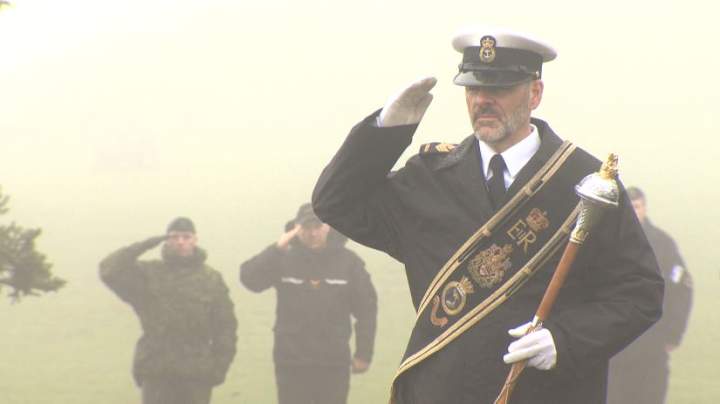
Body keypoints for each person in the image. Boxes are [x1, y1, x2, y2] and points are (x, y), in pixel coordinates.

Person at [312, 27, 664, 404]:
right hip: (441, 392)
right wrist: (385, 131)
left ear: (535, 93)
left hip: (544, 392)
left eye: (500, 88)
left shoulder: (585, 183)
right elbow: (335, 202)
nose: (482, 100)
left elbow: (640, 292)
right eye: (473, 88)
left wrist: (564, 339)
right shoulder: (430, 177)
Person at [240, 203, 377, 404]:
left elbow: (367, 310)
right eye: (306, 228)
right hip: (291, 364)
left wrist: (363, 354)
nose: (313, 233)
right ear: (296, 228)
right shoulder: (282, 258)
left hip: (334, 363)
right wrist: (276, 249)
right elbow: (249, 280)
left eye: (317, 227)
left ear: (328, 227)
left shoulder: (350, 263)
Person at [99, 217, 237, 404]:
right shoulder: (148, 274)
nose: (180, 242)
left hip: (197, 374)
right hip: (157, 371)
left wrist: (219, 367)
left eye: (186, 237)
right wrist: (145, 245)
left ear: (195, 240)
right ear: (166, 240)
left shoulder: (211, 279)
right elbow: (108, 269)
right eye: (174, 237)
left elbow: (226, 327)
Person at [607, 187, 693, 404]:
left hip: (652, 342)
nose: (633, 212)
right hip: (615, 344)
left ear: (644, 208)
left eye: (637, 206)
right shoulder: (607, 243)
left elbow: (682, 289)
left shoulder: (663, 244)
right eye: (629, 207)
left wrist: (674, 333)